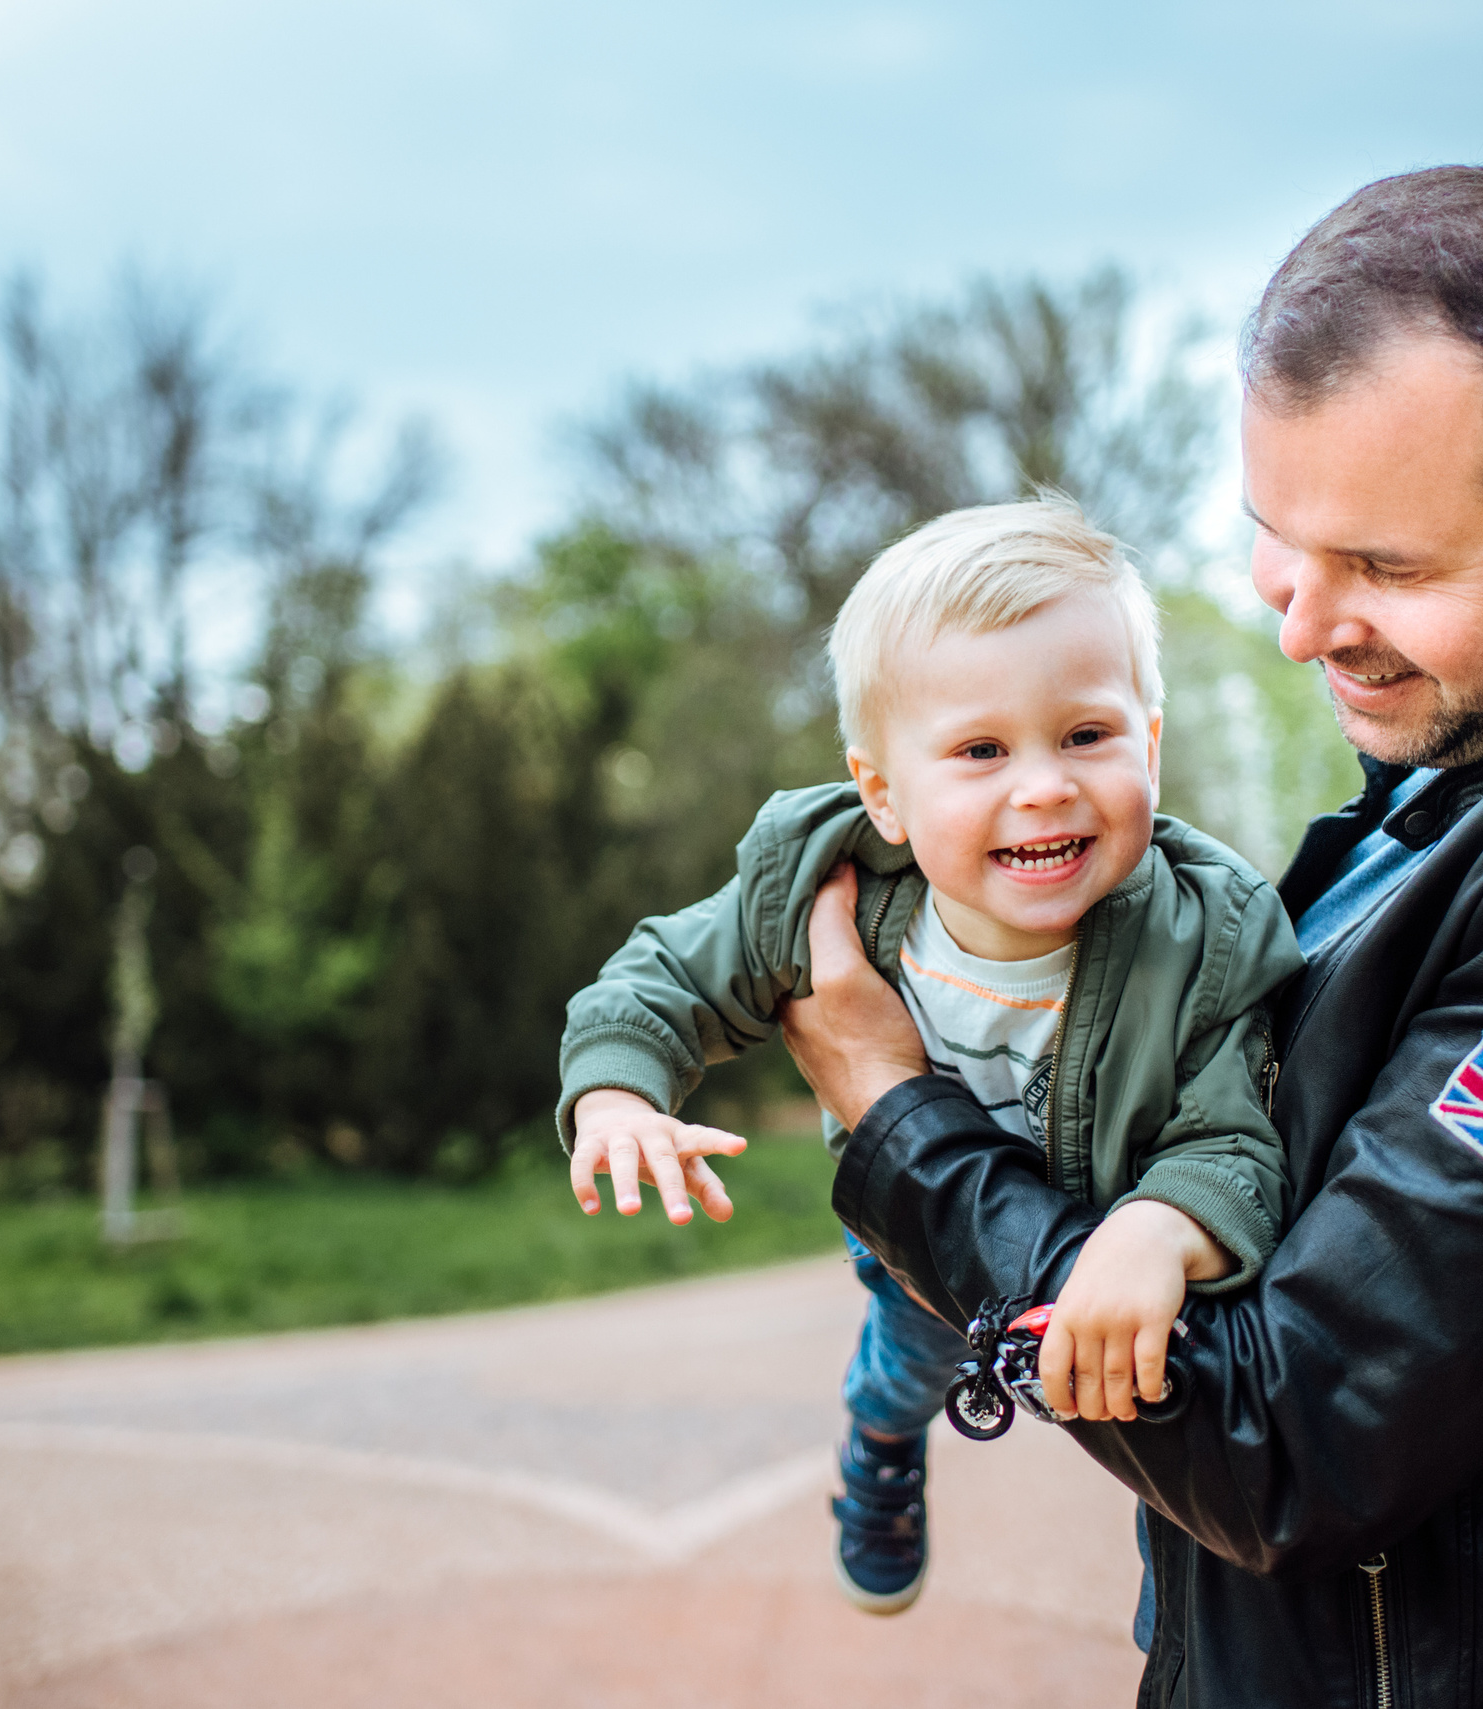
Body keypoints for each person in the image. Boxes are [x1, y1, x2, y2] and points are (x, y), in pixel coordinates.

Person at [780, 158, 1483, 1706]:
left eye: (1387, 565)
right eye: (1278, 538)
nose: (1301, 623)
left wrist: (893, 1109)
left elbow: (1280, 1439)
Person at [556, 498, 1303, 1614]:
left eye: (1086, 735)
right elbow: (663, 975)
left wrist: (1164, 1222)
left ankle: (1184, 1619)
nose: (1043, 783)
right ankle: (879, 1441)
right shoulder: (823, 889)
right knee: (914, 1366)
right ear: (884, 793)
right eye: (980, 750)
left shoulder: (1210, 932)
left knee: (1168, 1424)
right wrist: (619, 1094)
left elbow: (1230, 1131)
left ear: (1148, 741)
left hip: (1107, 1245)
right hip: (920, 1242)